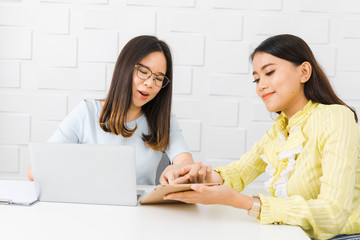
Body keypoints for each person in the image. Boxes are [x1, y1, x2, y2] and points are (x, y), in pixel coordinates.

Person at [164, 34, 360, 240]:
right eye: (257, 79)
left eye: (269, 72)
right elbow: (240, 172)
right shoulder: (280, 130)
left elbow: (333, 212)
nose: (261, 86)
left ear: (304, 72)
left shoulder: (336, 117)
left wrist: (244, 202)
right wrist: (198, 177)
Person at [28, 35, 195, 185]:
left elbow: (185, 161)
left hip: (141, 213)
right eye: (143, 72)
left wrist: (178, 170)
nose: (150, 83)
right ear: (125, 68)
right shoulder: (86, 113)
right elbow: (35, 171)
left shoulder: (163, 120)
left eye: (158, 78)